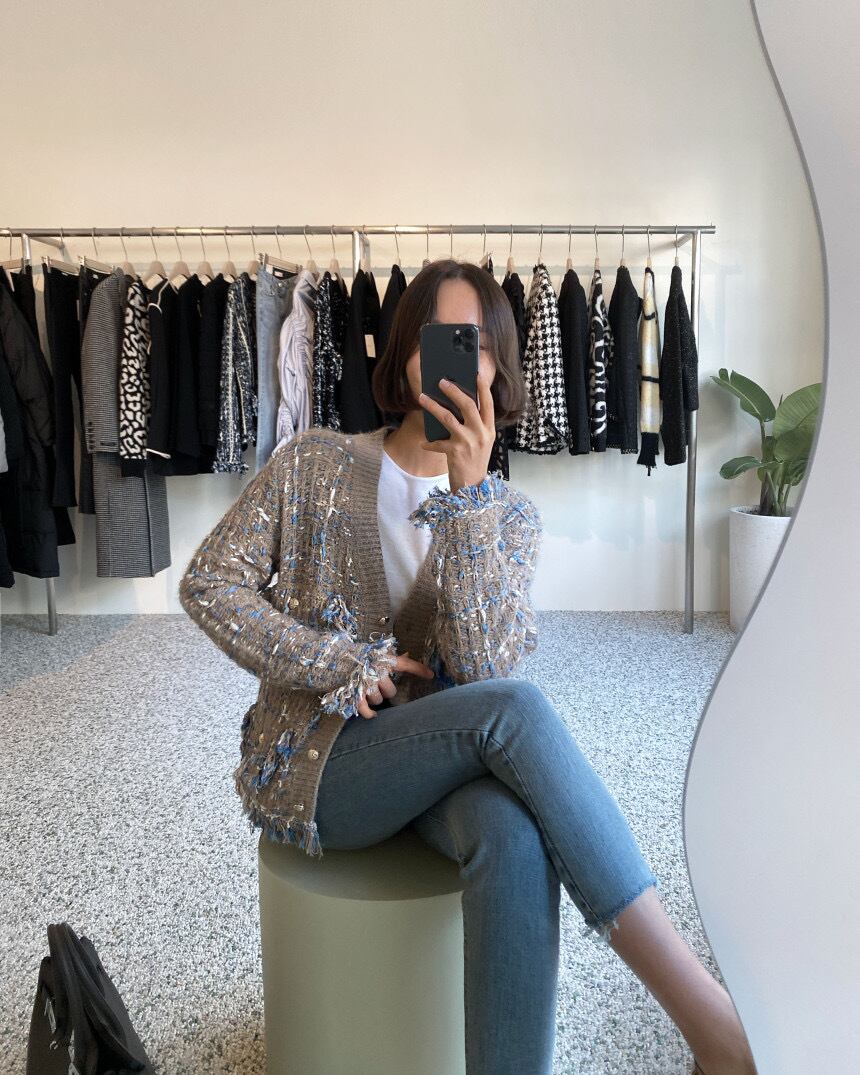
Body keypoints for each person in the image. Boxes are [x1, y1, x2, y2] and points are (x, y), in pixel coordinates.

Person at [311, 260, 758, 1075]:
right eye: (441, 339)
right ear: (405, 353)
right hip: (337, 761)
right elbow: (498, 703)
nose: (459, 360)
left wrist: (470, 498)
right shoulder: (331, 469)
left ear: (499, 368)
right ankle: (713, 1025)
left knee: (514, 835)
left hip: (439, 766)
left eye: (477, 345)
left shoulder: (510, 514)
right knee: (517, 710)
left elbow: (480, 670)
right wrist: (328, 657)